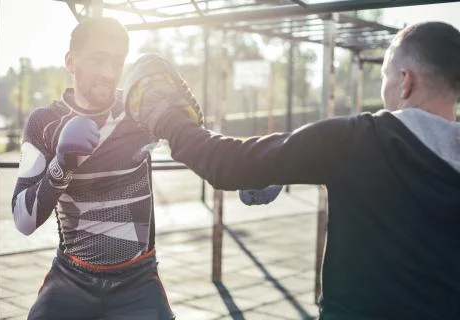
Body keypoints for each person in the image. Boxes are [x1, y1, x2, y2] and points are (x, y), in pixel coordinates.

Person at [124, 22, 460, 319]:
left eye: (385, 77)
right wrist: (288, 167)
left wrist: (166, 118)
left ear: (405, 82)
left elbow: (229, 164)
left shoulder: (358, 139)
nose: (383, 89)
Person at [11, 17, 175, 320]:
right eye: (99, 60)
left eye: (117, 62)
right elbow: (23, 219)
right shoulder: (44, 123)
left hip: (138, 281)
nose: (109, 73)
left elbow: (193, 144)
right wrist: (62, 164)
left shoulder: (137, 110)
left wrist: (247, 173)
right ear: (71, 61)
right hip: (71, 279)